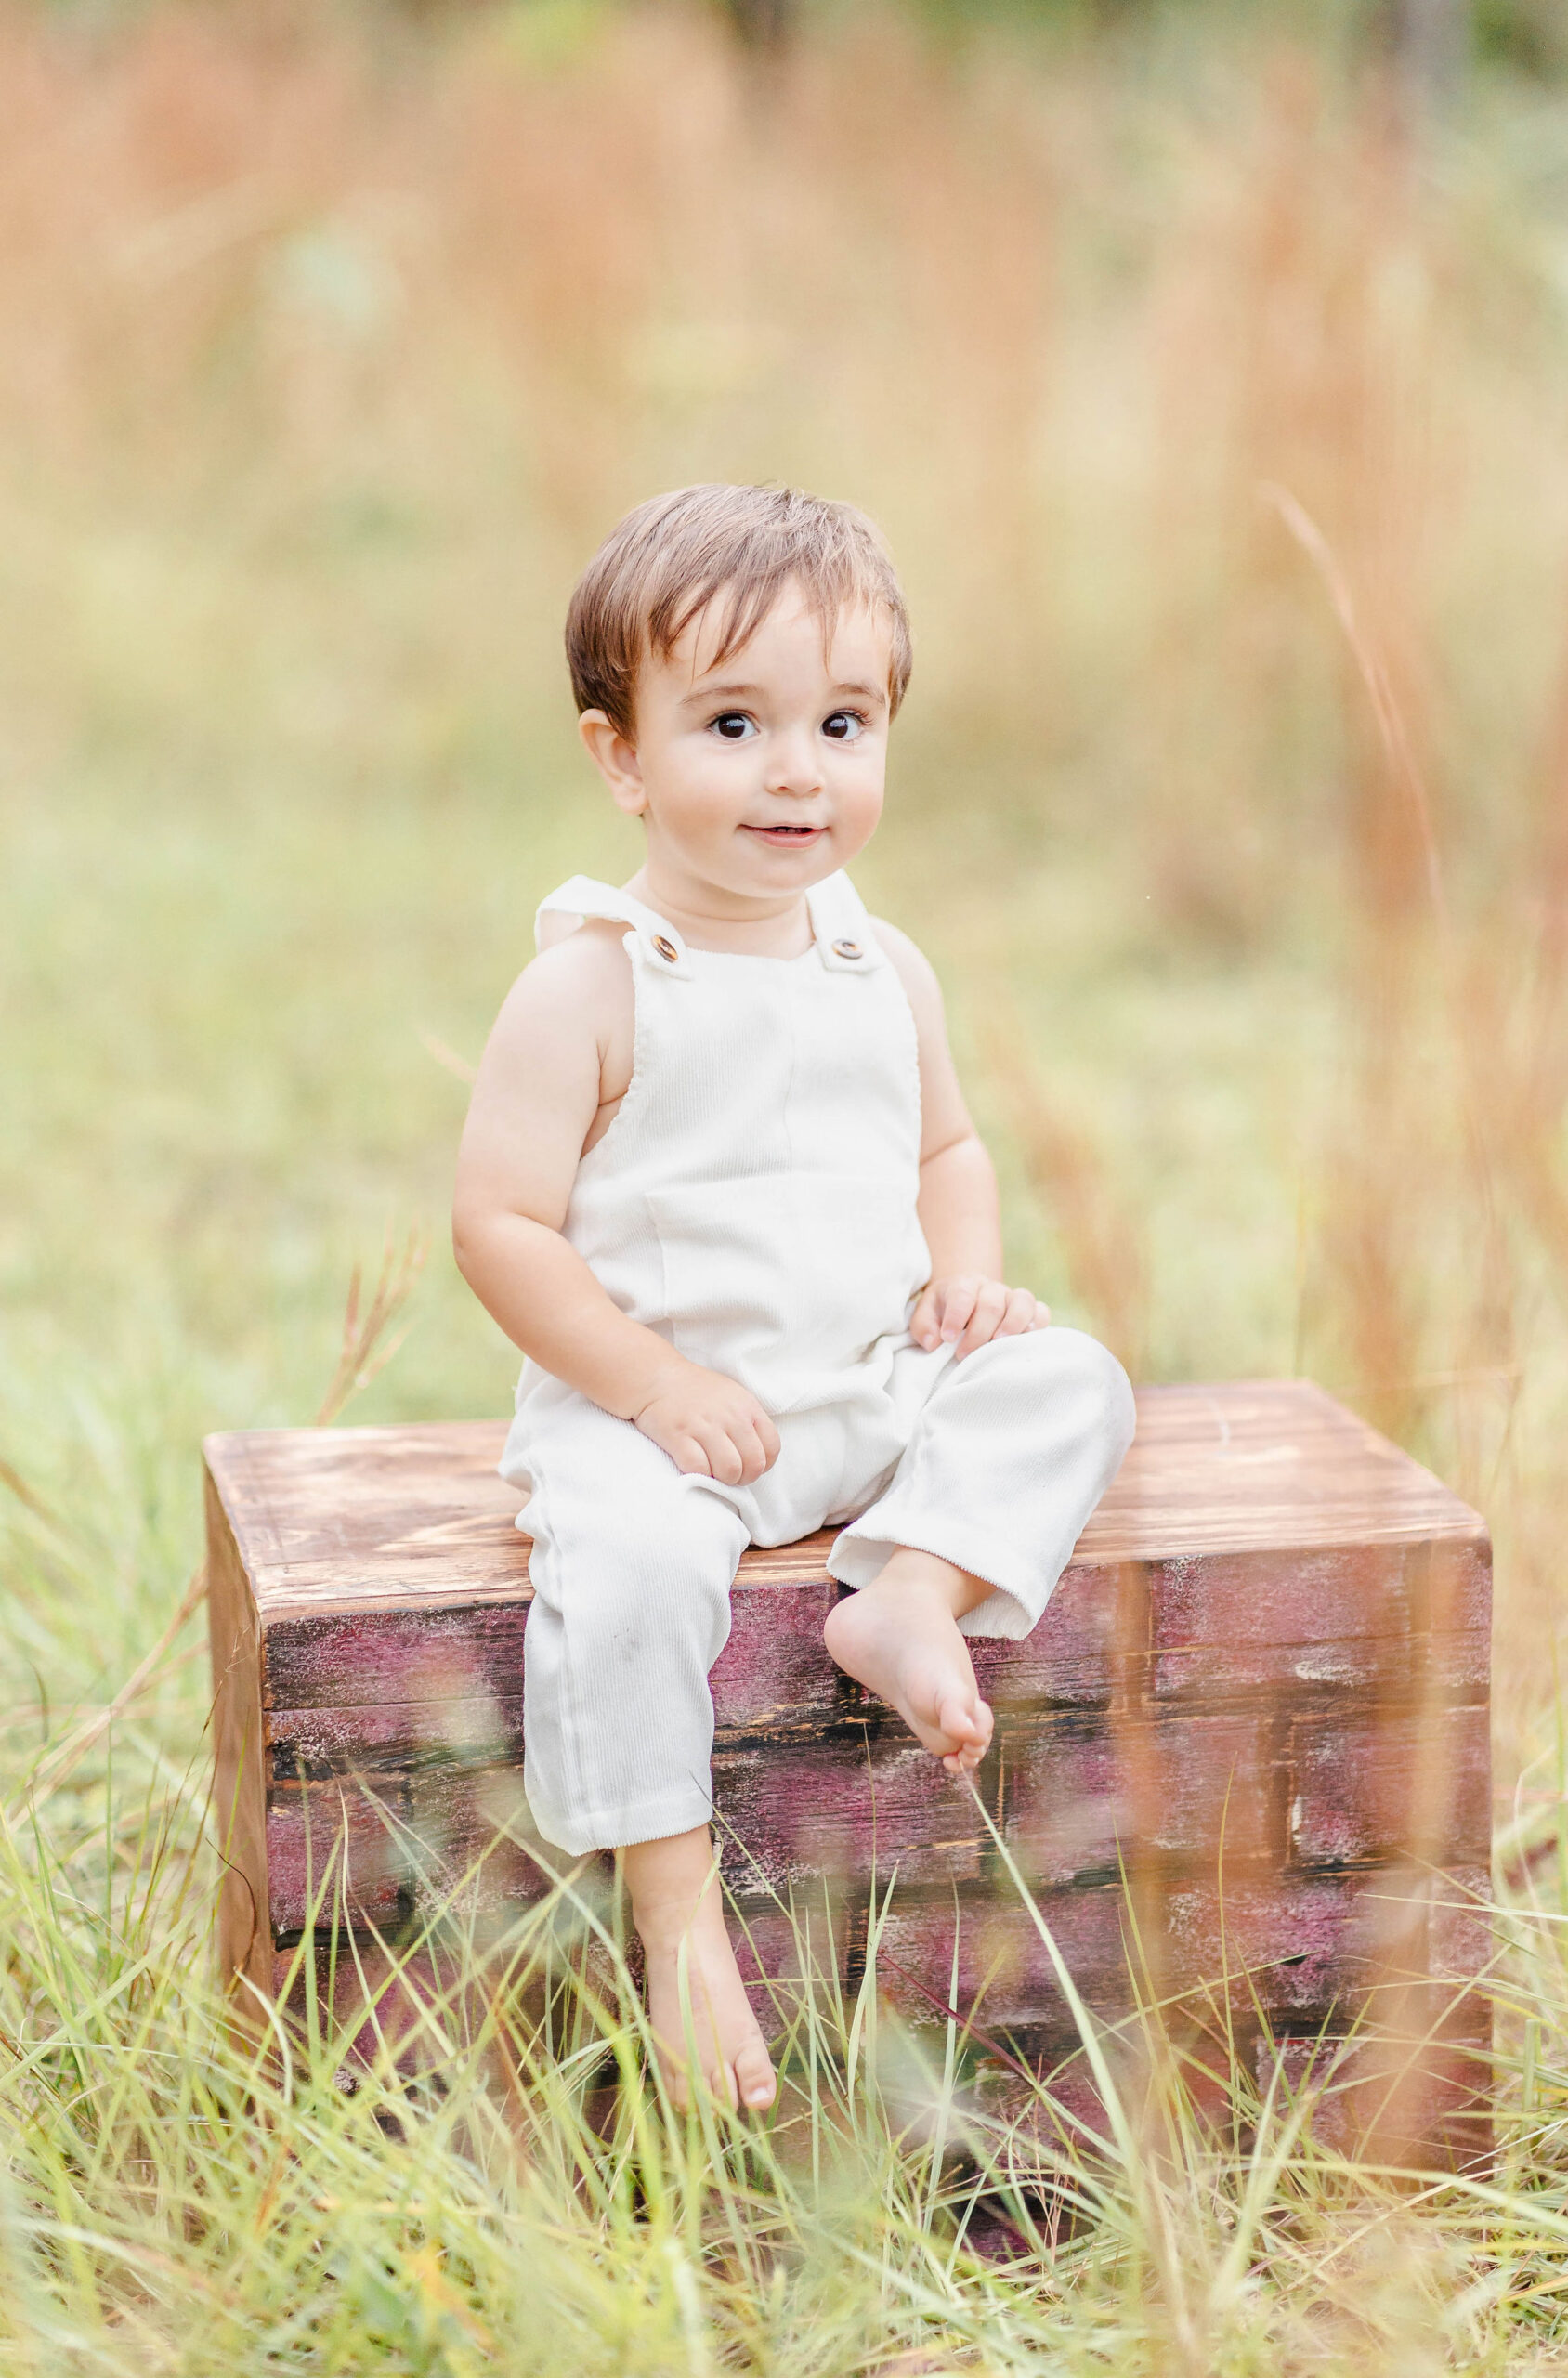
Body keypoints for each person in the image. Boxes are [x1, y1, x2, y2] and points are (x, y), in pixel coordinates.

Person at [451, 483, 1135, 2113]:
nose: (795, 770)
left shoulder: (880, 966)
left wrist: (965, 1283)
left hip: (860, 1392)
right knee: (615, 1572)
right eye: (734, 721)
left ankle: (908, 1592)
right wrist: (645, 1384)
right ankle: (674, 1909)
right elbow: (501, 1227)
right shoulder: (594, 983)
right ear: (620, 756)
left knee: (1077, 1380)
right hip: (671, 1422)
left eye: (841, 720)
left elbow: (947, 1145)